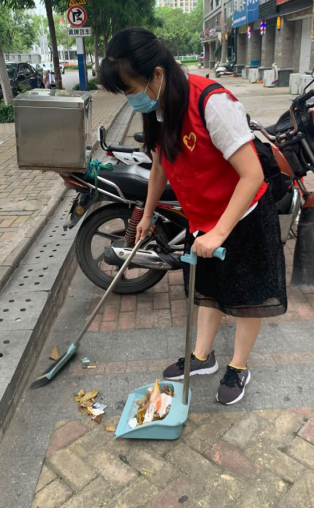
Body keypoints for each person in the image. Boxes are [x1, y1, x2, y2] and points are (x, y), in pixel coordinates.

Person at [100, 28, 287, 406]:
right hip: (202, 218)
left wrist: (219, 233)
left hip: (243, 216)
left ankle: (238, 365)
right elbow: (159, 166)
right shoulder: (158, 109)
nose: (132, 99)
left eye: (131, 89)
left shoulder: (212, 104)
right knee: (208, 289)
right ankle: (203, 356)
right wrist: (146, 214)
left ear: (157, 74)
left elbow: (252, 175)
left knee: (247, 296)